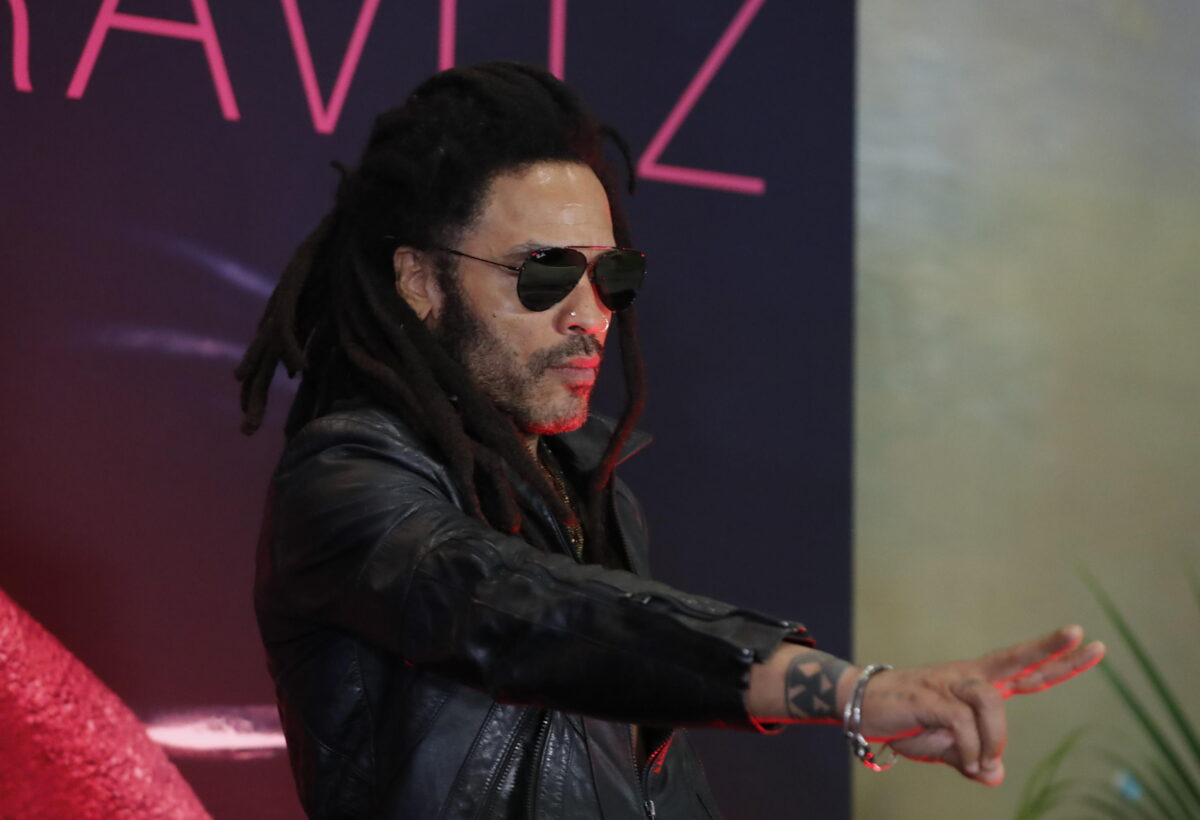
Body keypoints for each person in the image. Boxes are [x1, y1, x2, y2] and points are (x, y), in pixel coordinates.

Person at [236, 62, 1104, 819]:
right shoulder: (343, 485)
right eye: (545, 272)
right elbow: (524, 611)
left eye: (612, 273)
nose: (591, 315)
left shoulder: (591, 492)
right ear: (420, 280)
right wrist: (843, 691)